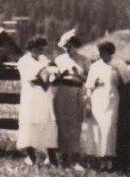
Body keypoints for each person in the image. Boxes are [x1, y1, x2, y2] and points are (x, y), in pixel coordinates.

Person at [83, 42, 129, 170]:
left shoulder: (118, 64)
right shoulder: (95, 66)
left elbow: (127, 79)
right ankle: (98, 160)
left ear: (110, 53)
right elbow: (89, 86)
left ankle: (108, 160)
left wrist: (120, 71)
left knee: (109, 128)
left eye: (104, 52)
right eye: (100, 52)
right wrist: (88, 103)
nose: (101, 55)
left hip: (112, 98)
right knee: (97, 129)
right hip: (97, 98)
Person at [16, 36, 59, 166]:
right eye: (37, 47)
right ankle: (31, 157)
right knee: (30, 123)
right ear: (31, 48)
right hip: (31, 96)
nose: (40, 50)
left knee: (47, 123)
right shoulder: (24, 61)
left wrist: (51, 77)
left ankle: (51, 157)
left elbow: (53, 73)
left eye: (41, 47)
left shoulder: (43, 59)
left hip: (44, 96)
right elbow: (31, 78)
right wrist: (44, 75)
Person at [53, 30, 90, 168]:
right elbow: (53, 79)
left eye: (70, 46)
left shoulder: (84, 60)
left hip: (77, 92)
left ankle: (74, 159)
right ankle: (63, 157)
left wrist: (78, 75)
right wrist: (60, 75)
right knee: (62, 124)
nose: (68, 49)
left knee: (75, 125)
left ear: (76, 45)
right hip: (63, 92)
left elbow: (89, 79)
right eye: (65, 47)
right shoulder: (59, 60)